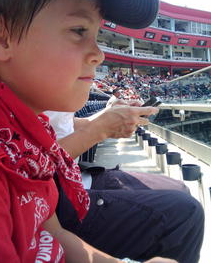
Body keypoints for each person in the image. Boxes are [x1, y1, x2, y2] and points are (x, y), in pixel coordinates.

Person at [0, 0, 178, 262]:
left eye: (97, 34)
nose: (99, 54)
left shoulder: (25, 138)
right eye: (78, 30)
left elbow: (52, 233)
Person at [45, 108, 204, 263]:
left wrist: (107, 115)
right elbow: (34, 168)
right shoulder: (26, 112)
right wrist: (99, 130)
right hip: (60, 193)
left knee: (179, 188)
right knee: (185, 212)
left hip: (78, 175)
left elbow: (63, 123)